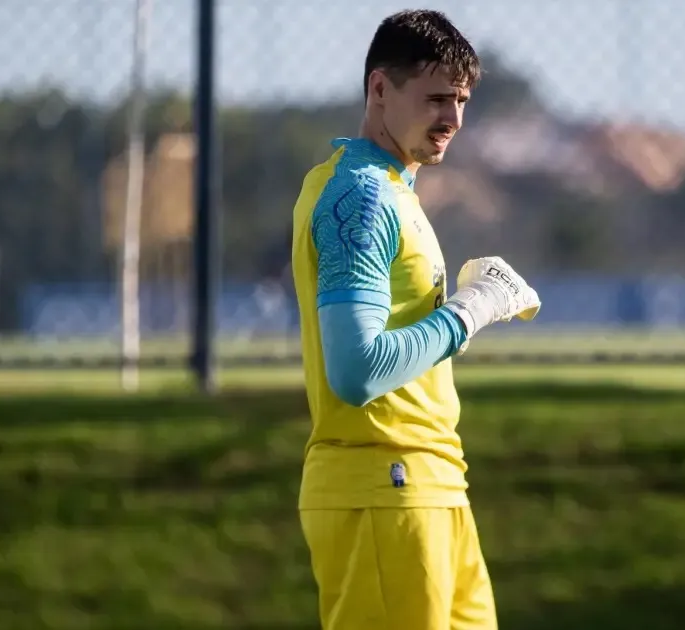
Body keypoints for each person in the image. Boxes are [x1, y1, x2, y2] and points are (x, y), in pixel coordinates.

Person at [288, 9, 541, 630]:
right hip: (384, 485)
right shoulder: (361, 197)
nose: (452, 119)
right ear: (380, 89)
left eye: (460, 100)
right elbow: (357, 370)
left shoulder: (392, 189)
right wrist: (475, 307)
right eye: (435, 99)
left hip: (434, 484)